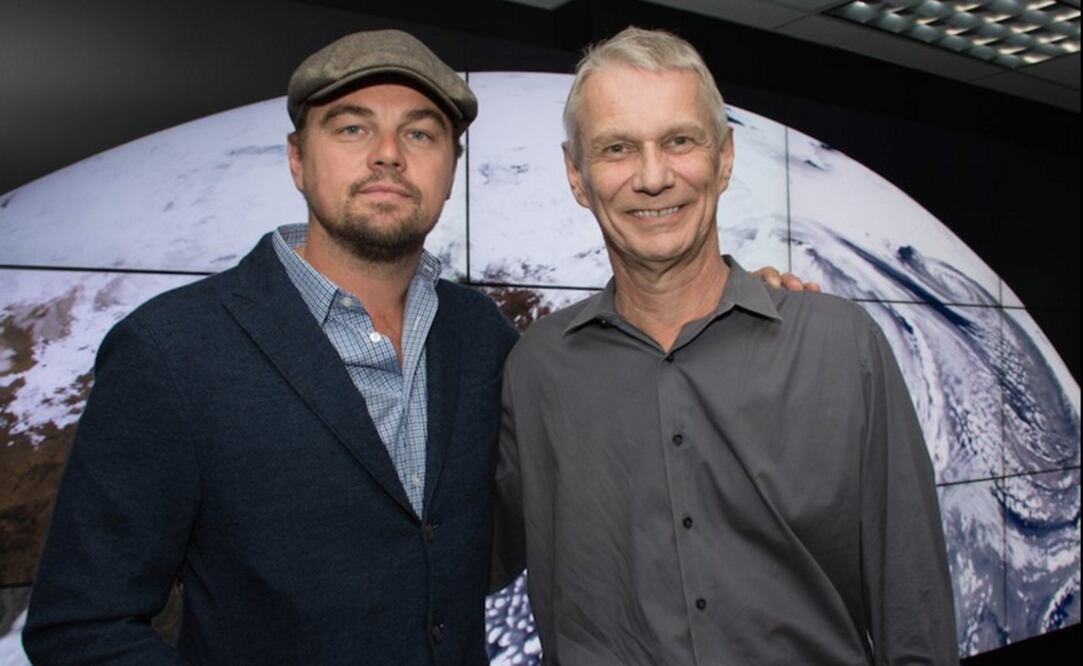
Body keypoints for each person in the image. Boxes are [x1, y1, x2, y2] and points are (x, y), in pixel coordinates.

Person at [24, 30, 518, 665]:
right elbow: (81, 628)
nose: (388, 155)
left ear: (450, 170)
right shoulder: (172, 349)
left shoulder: (481, 336)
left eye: (420, 134)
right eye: (352, 128)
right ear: (297, 160)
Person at [492, 27, 958, 665]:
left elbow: (914, 612)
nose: (653, 177)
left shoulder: (841, 349)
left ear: (725, 157)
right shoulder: (536, 370)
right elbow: (461, 557)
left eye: (679, 141)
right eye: (618, 148)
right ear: (578, 175)